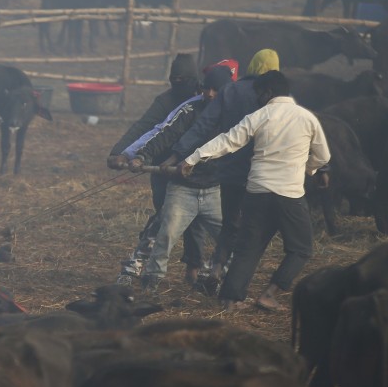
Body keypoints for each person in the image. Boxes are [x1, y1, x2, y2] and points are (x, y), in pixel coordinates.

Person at [180, 71, 330, 312]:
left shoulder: (259, 116)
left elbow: (227, 141)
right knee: (301, 249)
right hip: (289, 195)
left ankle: (229, 300)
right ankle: (269, 294)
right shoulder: (307, 118)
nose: (257, 99)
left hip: (257, 191)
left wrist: (193, 158)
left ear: (268, 93)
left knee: (248, 248)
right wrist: (309, 170)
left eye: (259, 94)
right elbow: (323, 156)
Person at [169, 49, 280, 291]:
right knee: (252, 230)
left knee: (230, 224)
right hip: (262, 173)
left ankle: (215, 268)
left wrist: (180, 154)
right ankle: (233, 283)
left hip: (229, 171)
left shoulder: (230, 90)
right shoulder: (274, 96)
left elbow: (205, 123)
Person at [127, 65, 235, 291]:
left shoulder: (236, 114)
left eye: (216, 90)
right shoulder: (190, 110)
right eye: (207, 89)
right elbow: (165, 133)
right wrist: (142, 156)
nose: (210, 95)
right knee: (165, 237)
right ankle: (151, 283)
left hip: (215, 190)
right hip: (182, 189)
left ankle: (220, 279)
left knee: (231, 240)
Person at [107, 53, 202, 285]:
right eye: (174, 78)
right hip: (161, 168)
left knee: (196, 223)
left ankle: (194, 267)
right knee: (162, 217)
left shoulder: (204, 100)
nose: (177, 83)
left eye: (182, 78)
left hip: (194, 170)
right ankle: (146, 270)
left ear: (193, 79)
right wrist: (119, 151)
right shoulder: (165, 101)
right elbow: (143, 126)